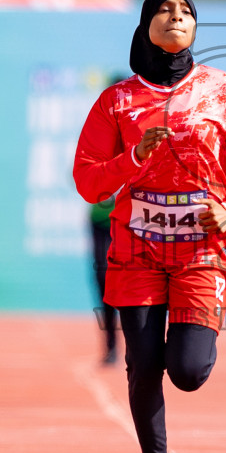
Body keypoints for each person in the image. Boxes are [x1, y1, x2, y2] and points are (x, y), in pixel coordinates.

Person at [73, 0, 226, 453]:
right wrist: (130, 160)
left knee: (186, 371)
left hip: (201, 253)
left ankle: (184, 351)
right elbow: (87, 180)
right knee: (142, 365)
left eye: (186, 12)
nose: (177, 17)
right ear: (145, 27)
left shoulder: (223, 90)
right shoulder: (117, 100)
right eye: (165, 10)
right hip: (135, 251)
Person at [88, 73, 128, 366]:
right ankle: (111, 346)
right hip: (101, 220)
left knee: (132, 280)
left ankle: (138, 342)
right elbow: (81, 170)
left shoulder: (140, 128)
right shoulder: (97, 130)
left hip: (129, 219)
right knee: (103, 281)